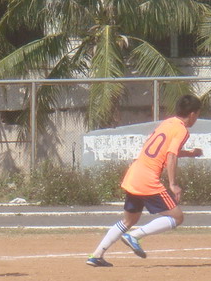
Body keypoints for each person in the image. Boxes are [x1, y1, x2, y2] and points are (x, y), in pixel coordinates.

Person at [86, 94, 203, 267]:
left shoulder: (168, 123)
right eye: (198, 114)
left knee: (129, 220)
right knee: (177, 217)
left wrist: (190, 153)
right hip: (147, 179)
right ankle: (135, 236)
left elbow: (164, 149)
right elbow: (171, 155)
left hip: (134, 174)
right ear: (192, 114)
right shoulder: (182, 130)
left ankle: (96, 255)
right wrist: (173, 184)